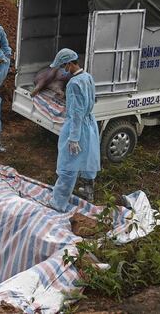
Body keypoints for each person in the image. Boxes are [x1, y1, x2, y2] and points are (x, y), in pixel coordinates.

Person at [50, 48, 100, 209]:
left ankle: (58, 203)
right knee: (88, 159)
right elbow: (89, 99)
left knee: (68, 165)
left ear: (70, 64)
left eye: (64, 67)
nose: (63, 71)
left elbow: (77, 113)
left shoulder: (73, 83)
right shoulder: (87, 77)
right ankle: (88, 191)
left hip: (76, 127)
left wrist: (73, 138)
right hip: (89, 124)